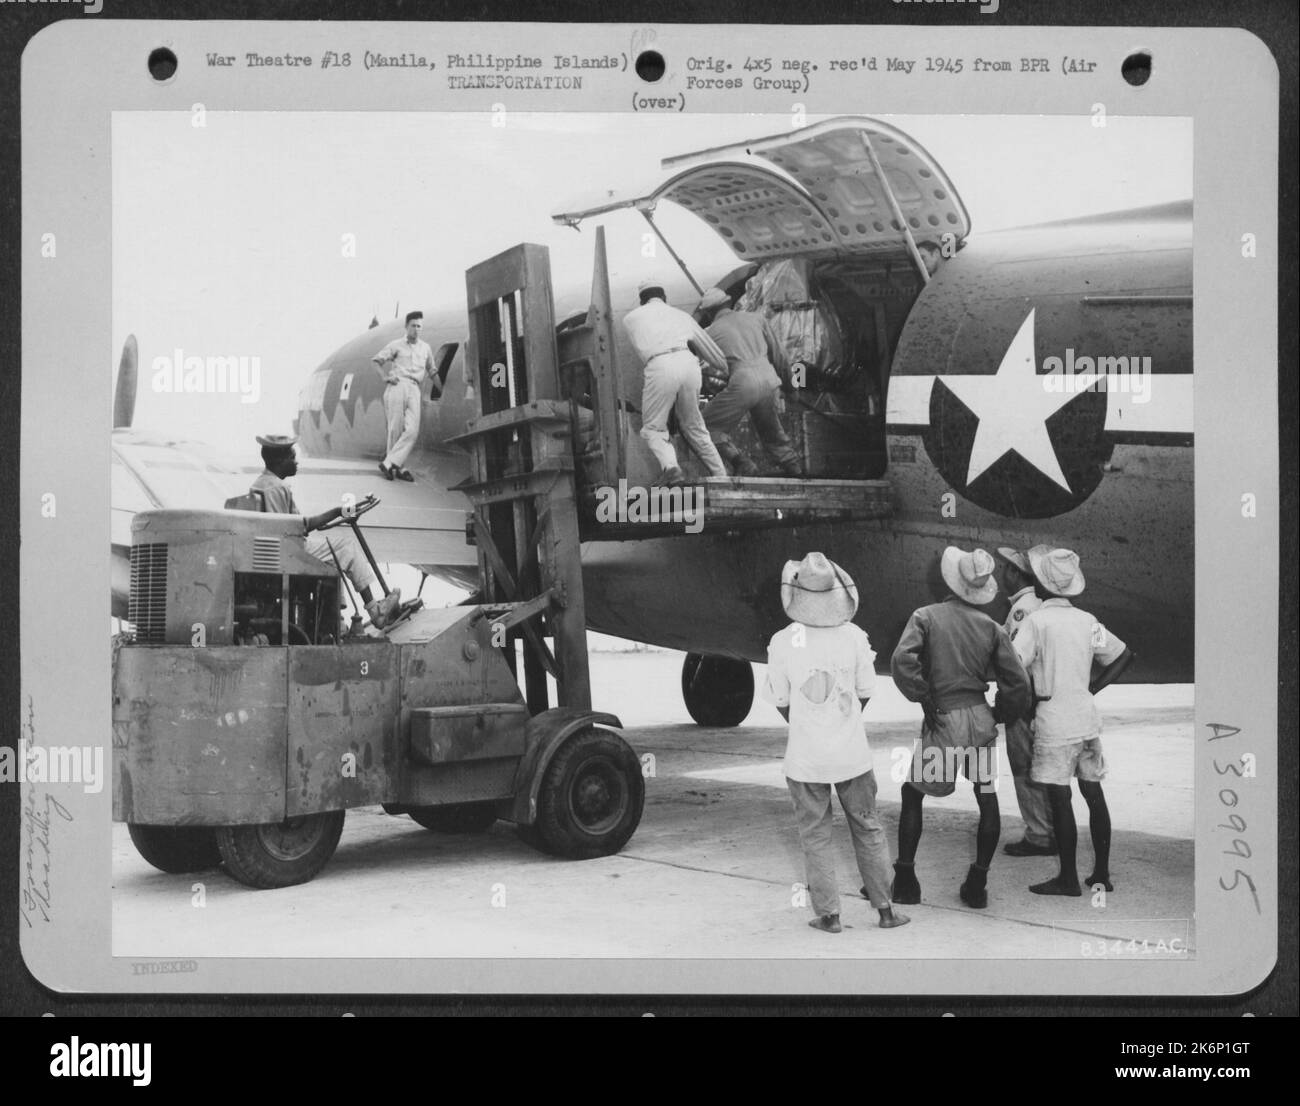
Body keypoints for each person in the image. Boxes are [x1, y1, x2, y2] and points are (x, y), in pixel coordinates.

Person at [763, 552, 910, 934]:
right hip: (853, 757)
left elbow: (781, 701)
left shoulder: (782, 641)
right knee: (868, 828)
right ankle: (886, 910)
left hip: (805, 760)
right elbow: (864, 692)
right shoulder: (855, 636)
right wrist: (841, 719)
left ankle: (829, 916)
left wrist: (807, 722)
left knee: (815, 836)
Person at [890, 547, 1032, 909]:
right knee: (987, 799)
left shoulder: (926, 616)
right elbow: (1017, 682)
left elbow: (901, 661)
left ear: (950, 580)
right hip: (980, 723)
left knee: (913, 795)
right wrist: (1000, 713)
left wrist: (922, 695)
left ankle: (905, 880)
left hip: (945, 722)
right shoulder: (993, 627)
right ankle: (977, 884)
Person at [1012, 547, 1133, 897]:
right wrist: (1092, 686)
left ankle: (1067, 877)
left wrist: (1026, 699)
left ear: (1040, 584)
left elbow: (1015, 664)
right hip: (1086, 718)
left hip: (1054, 720)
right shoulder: (1087, 621)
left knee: (1060, 799)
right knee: (1094, 794)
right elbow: (1124, 655)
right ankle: (1101, 874)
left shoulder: (1037, 622)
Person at [247, 435, 402, 630]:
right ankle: (375, 611)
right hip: (287, 554)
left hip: (276, 553)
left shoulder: (260, 484)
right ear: (280, 461)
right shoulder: (278, 488)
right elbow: (299, 527)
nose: (296, 462)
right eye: (292, 458)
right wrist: (337, 512)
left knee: (335, 560)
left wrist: (336, 512)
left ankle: (337, 623)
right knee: (346, 548)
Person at [620, 279, 728, 484]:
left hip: (660, 365)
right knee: (694, 425)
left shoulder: (630, 318)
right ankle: (721, 476)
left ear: (641, 301)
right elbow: (715, 354)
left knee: (653, 428)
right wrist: (725, 368)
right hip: (688, 363)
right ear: (664, 297)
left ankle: (672, 469)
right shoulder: (682, 315)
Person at [696, 286, 801, 477]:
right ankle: (796, 472)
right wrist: (791, 387)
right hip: (769, 379)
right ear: (728, 303)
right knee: (772, 432)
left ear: (708, 312)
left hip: (743, 382)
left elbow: (702, 369)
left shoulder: (709, 333)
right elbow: (780, 355)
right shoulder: (756, 318)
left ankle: (741, 462)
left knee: (702, 427)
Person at [994, 546, 1056, 857]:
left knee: (1024, 768)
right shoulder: (1035, 605)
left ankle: (1040, 834)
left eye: (1005, 569)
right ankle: (1050, 829)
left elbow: (1015, 662)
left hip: (1023, 702)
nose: (1000, 574)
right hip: (1038, 700)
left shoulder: (1022, 611)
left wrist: (1010, 704)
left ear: (1017, 574)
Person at [372, 310, 441, 482]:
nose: (416, 329)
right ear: (406, 327)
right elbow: (376, 361)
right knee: (396, 428)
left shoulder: (425, 348)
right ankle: (398, 467)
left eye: (419, 326)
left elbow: (432, 370)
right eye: (413, 326)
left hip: (414, 388)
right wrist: (385, 377)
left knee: (412, 430)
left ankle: (388, 463)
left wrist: (441, 389)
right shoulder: (396, 345)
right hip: (398, 385)